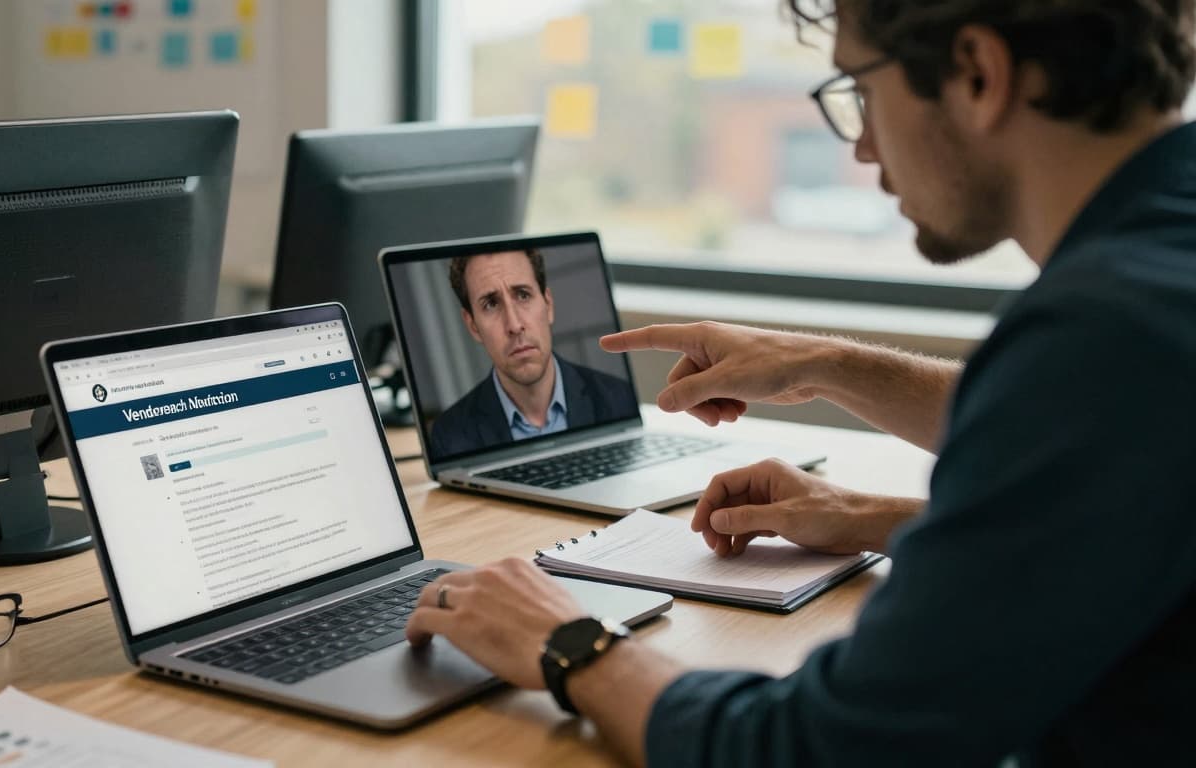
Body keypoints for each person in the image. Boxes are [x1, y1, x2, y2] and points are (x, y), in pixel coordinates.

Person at [405, 1, 1196, 765]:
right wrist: (843, 438)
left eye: (863, 90)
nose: (860, 149)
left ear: (979, 74)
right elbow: (1081, 445)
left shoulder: (1108, 332)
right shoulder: (1159, 271)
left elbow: (814, 748)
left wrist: (571, 644)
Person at [427, 248, 637, 457]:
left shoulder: (618, 399)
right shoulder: (450, 436)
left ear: (548, 305)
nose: (515, 325)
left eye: (523, 295)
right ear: (473, 326)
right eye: (491, 304)